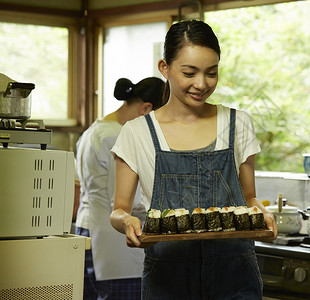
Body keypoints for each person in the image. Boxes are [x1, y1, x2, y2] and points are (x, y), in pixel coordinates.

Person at [110, 20, 277, 299]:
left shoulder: (237, 123)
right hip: (168, 276)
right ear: (165, 68)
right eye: (190, 73)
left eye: (211, 73)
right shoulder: (137, 132)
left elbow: (249, 199)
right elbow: (119, 209)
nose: (201, 84)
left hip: (234, 273)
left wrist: (264, 215)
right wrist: (127, 222)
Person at [75, 77, 165, 300]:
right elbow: (130, 202)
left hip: (86, 230)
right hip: (114, 244)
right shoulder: (118, 136)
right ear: (146, 109)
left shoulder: (93, 131)